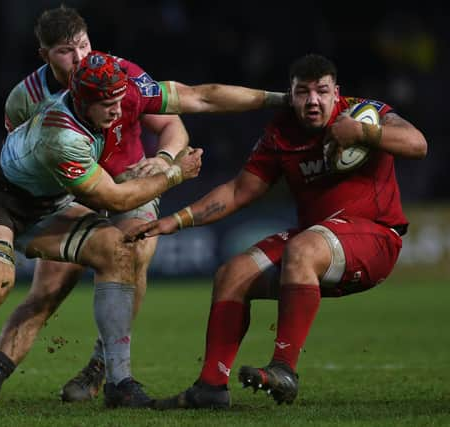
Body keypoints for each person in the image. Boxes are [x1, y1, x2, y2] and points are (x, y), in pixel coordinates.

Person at [0, 50, 287, 414]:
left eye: (118, 101)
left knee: (120, 249)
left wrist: (279, 100)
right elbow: (113, 199)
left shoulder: (123, 91)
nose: (116, 112)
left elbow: (203, 95)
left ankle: (118, 383)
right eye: (105, 105)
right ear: (81, 100)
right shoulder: (62, 135)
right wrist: (175, 173)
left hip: (47, 202)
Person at [126, 53, 427, 409]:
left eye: (321, 91)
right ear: (291, 94)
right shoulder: (281, 133)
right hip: (318, 238)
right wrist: (175, 221)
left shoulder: (364, 111)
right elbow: (240, 191)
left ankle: (284, 368)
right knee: (231, 275)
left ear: (336, 94)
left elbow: (417, 145)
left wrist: (364, 132)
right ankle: (210, 387)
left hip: (375, 238)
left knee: (302, 247)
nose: (312, 100)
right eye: (303, 92)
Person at [0, 5, 190, 404]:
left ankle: (103, 369)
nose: (79, 57)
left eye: (83, 45)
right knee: (47, 291)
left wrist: (166, 160)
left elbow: (172, 122)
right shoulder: (24, 100)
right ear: (44, 55)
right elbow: (23, 158)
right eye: (66, 51)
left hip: (128, 189)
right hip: (70, 197)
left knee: (133, 254)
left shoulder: (117, 73)